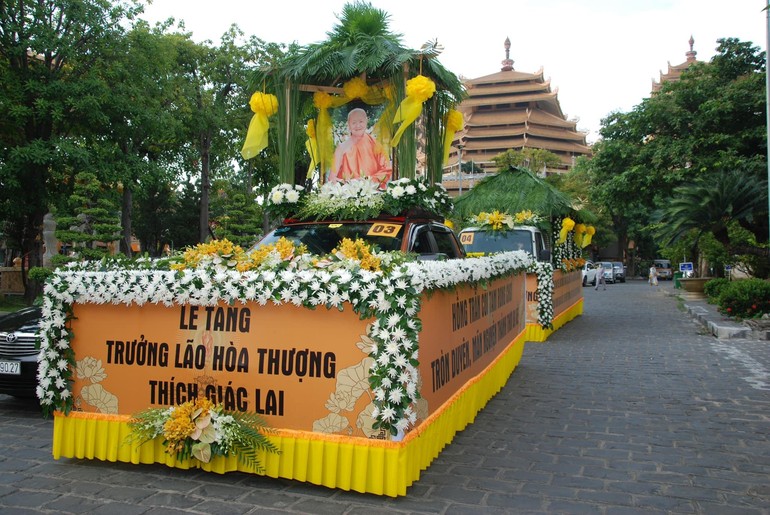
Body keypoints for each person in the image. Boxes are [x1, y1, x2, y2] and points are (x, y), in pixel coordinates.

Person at [329, 108, 392, 186]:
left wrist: (366, 182)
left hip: (373, 191)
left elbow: (386, 170)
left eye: (361, 121)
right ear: (348, 124)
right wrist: (349, 185)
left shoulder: (375, 145)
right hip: (347, 193)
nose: (358, 126)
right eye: (354, 122)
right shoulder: (341, 148)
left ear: (366, 121)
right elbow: (332, 177)